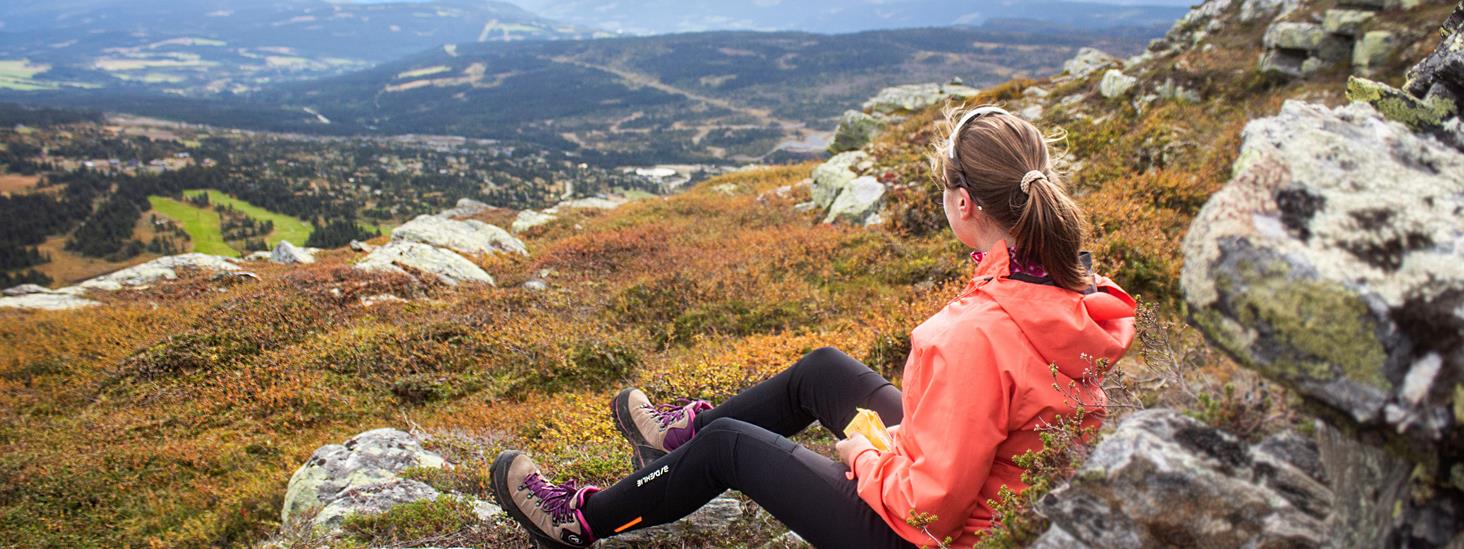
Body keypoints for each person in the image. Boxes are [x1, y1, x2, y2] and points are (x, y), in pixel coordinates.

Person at [489, 105, 1138, 548]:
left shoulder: (975, 331)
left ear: (963, 204)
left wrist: (867, 457)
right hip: (987, 497)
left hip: (925, 535)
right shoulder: (1066, 282)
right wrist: (905, 443)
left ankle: (580, 521)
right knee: (823, 371)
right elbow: (992, 423)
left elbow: (929, 505)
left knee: (732, 449)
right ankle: (670, 450)